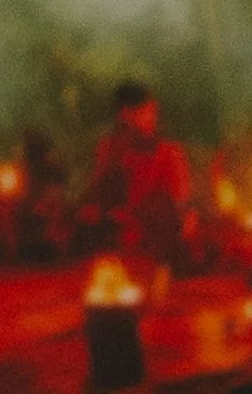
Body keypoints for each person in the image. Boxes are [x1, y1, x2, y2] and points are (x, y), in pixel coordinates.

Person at [82, 80, 193, 268]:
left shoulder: (169, 153)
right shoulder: (109, 149)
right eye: (146, 112)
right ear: (125, 114)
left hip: (155, 236)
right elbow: (100, 193)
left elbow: (178, 203)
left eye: (152, 112)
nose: (152, 118)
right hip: (116, 232)